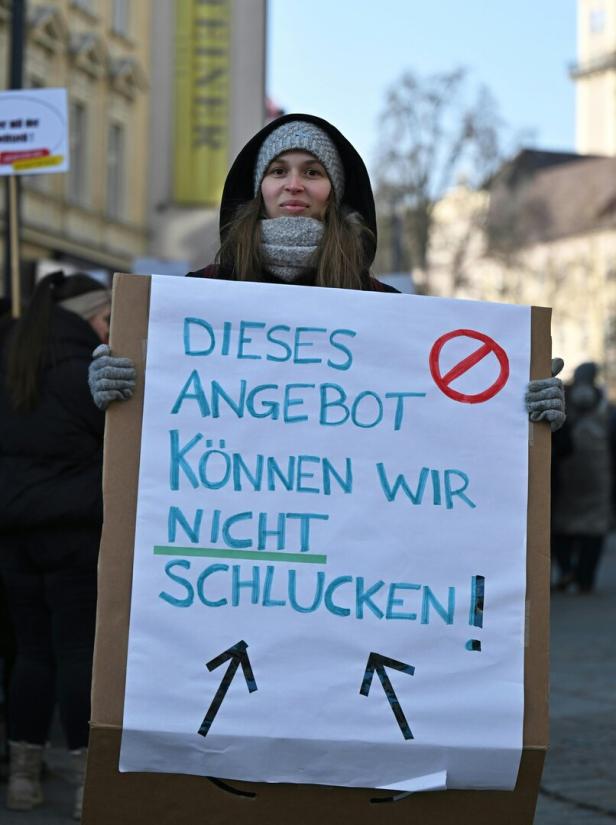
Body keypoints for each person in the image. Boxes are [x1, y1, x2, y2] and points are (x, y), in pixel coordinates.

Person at [88, 113, 566, 431]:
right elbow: (147, 426)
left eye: (312, 172)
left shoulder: (388, 310)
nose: (294, 184)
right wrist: (114, 388)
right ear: (260, 189)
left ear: (333, 191)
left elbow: (441, 423)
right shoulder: (199, 295)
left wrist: (519, 405)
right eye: (278, 171)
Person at [0, 271, 113, 819]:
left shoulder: (12, 363)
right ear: (88, 316)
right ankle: (85, 779)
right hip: (75, 531)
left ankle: (22, 775)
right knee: (76, 655)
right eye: (107, 317)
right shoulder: (83, 373)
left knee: (30, 654)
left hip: (14, 532)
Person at [551, 362, 614, 592]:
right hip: (598, 475)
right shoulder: (603, 403)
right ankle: (585, 578)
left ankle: (567, 569)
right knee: (593, 528)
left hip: (567, 472)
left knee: (561, 525)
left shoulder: (564, 397)